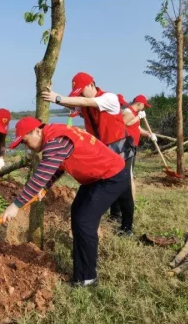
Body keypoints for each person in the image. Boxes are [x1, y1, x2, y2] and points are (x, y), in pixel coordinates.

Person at [1, 117, 129, 287]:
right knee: (78, 214)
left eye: (25, 141)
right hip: (96, 177)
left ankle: (87, 278)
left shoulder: (55, 142)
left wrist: (15, 206)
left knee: (85, 221)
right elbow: (58, 166)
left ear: (37, 131)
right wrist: (45, 187)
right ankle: (82, 269)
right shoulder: (55, 135)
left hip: (110, 176)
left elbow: (39, 176)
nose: (27, 147)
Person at [42, 72, 135, 236]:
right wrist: (52, 95)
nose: (79, 96)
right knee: (103, 184)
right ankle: (114, 216)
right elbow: (76, 105)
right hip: (102, 152)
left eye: (80, 92)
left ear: (92, 85)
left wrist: (58, 98)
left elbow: (86, 101)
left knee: (124, 188)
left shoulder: (109, 98)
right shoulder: (85, 106)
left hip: (119, 149)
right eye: (76, 94)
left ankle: (127, 226)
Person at [120, 95, 156, 199]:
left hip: (133, 146)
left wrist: (149, 134)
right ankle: (130, 199)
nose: (144, 107)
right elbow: (125, 123)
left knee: (130, 171)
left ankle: (129, 198)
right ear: (139, 103)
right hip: (126, 146)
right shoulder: (128, 111)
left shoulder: (135, 113)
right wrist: (138, 117)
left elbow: (138, 128)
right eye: (144, 105)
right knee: (128, 174)